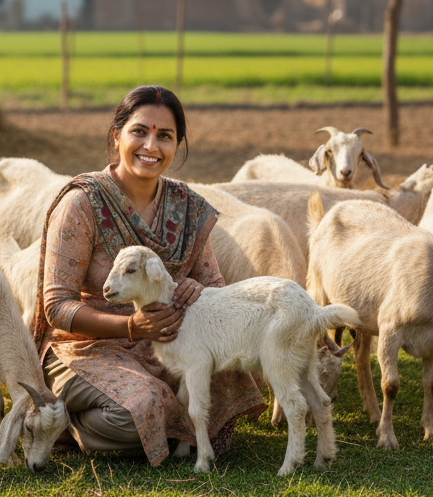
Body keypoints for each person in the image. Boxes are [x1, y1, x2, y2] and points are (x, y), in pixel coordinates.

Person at [31, 85, 265, 465]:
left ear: (177, 145)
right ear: (117, 135)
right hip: (89, 348)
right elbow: (57, 307)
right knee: (143, 407)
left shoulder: (186, 205)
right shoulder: (82, 203)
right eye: (140, 131)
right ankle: (68, 421)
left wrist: (193, 286)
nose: (151, 146)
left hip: (169, 345)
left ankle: (166, 428)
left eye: (165, 136)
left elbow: (216, 288)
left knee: (221, 378)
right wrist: (132, 328)